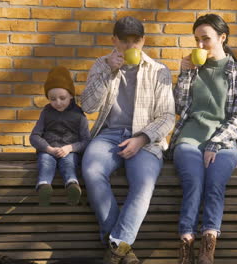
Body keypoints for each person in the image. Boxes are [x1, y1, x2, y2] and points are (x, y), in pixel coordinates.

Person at [80, 16, 175, 264]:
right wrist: (109, 71)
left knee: (144, 183)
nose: (130, 47)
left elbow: (166, 117)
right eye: (124, 41)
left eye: (136, 41)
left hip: (145, 138)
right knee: (91, 169)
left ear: (143, 41)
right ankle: (122, 247)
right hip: (108, 136)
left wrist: (142, 138)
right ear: (114, 41)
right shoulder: (101, 65)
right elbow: (88, 107)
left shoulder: (159, 71)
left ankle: (115, 248)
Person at [168, 14, 237, 264]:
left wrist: (215, 143)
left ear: (222, 38)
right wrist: (184, 75)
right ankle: (186, 243)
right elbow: (180, 107)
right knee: (193, 183)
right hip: (189, 140)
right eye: (197, 40)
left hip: (226, 143)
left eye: (205, 39)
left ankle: (208, 246)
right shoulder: (194, 70)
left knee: (215, 184)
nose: (200, 46)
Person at [30, 66, 91, 206]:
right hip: (49, 150)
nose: (58, 102)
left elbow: (86, 140)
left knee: (69, 162)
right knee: (45, 161)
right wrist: (48, 148)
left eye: (62, 98)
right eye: (52, 99)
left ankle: (72, 186)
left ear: (71, 95)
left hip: (68, 151)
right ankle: (44, 187)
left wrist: (70, 148)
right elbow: (34, 136)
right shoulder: (46, 112)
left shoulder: (79, 115)